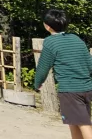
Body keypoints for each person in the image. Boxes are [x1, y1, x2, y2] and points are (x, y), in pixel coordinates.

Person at [34, 9, 92, 138]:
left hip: (70, 90)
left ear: (47, 26)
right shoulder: (76, 39)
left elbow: (43, 67)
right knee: (74, 122)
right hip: (86, 88)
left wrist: (38, 83)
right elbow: (90, 64)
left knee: (84, 124)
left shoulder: (50, 42)